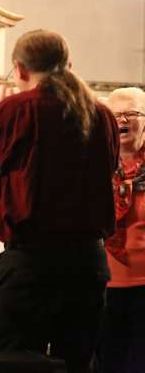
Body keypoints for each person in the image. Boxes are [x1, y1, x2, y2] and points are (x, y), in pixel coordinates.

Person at [0, 29, 119, 373]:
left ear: (20, 70)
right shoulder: (102, 115)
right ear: (68, 65)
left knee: (3, 365)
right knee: (75, 366)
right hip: (88, 267)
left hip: (33, 268)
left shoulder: (18, 108)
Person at [97, 87, 145, 373]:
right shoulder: (92, 164)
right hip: (100, 285)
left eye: (132, 112)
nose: (122, 119)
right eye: (115, 114)